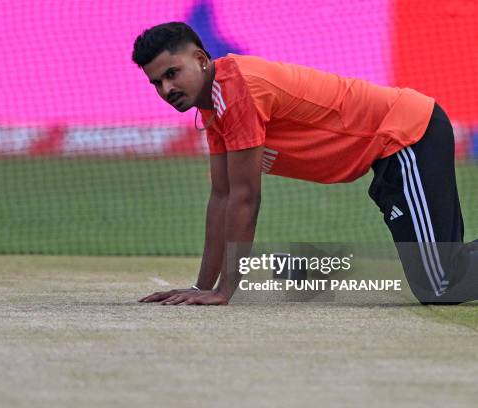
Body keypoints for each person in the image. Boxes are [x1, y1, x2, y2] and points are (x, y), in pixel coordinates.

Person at [132, 22, 477, 305]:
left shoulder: (237, 92)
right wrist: (200, 287)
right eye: (157, 83)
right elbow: (221, 198)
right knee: (437, 277)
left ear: (201, 59)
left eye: (173, 73)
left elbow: (245, 198)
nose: (166, 89)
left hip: (406, 134)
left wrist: (224, 290)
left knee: (440, 285)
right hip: (389, 149)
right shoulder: (213, 107)